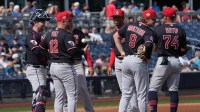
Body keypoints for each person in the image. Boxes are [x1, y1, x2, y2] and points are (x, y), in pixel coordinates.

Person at [39, 11, 88, 112]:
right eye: (69, 20)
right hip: (65, 67)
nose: (71, 22)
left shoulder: (49, 34)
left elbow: (40, 49)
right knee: (72, 95)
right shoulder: (67, 34)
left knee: (59, 96)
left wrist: (50, 56)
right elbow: (73, 51)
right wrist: (83, 51)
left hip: (53, 66)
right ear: (64, 21)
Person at [114, 9, 156, 112]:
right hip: (137, 60)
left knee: (126, 94)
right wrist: (147, 56)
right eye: (153, 19)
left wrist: (122, 52)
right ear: (147, 19)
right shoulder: (148, 30)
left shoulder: (130, 25)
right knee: (142, 94)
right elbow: (149, 44)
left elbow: (116, 36)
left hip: (126, 60)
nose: (155, 21)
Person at [148, 7, 188, 112]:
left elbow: (154, 48)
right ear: (174, 16)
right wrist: (179, 53)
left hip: (163, 60)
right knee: (173, 90)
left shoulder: (158, 29)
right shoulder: (181, 29)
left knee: (153, 89)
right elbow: (184, 49)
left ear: (165, 16)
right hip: (176, 60)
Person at [63, 11, 95, 112]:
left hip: (77, 63)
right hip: (65, 64)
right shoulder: (61, 33)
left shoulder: (79, 33)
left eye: (71, 18)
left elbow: (86, 51)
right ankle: (66, 109)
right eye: (69, 18)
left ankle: (89, 110)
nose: (71, 20)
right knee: (65, 91)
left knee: (83, 89)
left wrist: (90, 65)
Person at [107, 9, 138, 112]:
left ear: (123, 18)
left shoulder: (130, 29)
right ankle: (130, 109)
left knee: (130, 90)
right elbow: (112, 51)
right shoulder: (114, 33)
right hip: (118, 61)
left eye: (117, 17)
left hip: (128, 60)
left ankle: (133, 110)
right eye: (114, 17)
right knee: (124, 90)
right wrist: (110, 65)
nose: (115, 19)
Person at [25, 9, 51, 111]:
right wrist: (53, 56)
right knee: (42, 94)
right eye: (42, 21)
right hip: (35, 68)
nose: (44, 23)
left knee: (37, 98)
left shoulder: (40, 36)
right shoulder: (31, 35)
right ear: (35, 23)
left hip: (41, 69)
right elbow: (37, 51)